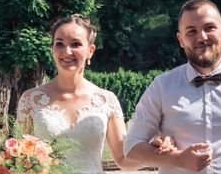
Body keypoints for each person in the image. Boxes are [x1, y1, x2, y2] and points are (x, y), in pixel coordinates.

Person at [124, 0, 221, 173]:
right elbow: (131, 147)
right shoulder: (161, 86)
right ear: (180, 39)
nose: (202, 37)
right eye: (191, 31)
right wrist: (176, 159)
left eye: (209, 28)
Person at [16, 14, 144, 173]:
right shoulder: (30, 100)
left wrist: (156, 153)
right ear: (52, 49)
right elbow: (20, 161)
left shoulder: (106, 100)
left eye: (75, 44)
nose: (67, 51)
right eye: (59, 44)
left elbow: (123, 159)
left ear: (90, 51)